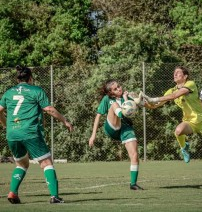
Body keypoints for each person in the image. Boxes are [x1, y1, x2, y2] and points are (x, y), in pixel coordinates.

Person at [0, 66, 73, 204]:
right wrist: (65, 121)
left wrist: (6, 125)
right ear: (31, 78)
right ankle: (54, 197)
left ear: (17, 79)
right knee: (46, 163)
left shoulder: (8, 92)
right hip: (30, 132)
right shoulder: (36, 90)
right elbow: (49, 109)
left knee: (22, 164)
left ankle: (12, 192)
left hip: (12, 134)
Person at [135, 66, 202, 163]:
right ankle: (184, 148)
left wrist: (152, 99)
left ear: (185, 76)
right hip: (189, 122)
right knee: (178, 131)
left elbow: (175, 96)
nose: (175, 74)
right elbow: (155, 105)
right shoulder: (171, 90)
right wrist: (142, 104)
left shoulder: (190, 84)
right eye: (174, 72)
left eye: (178, 72)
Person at [89, 79, 143, 190]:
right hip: (112, 127)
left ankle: (133, 184)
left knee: (134, 155)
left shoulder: (125, 97)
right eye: (115, 88)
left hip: (125, 128)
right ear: (111, 92)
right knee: (114, 105)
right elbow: (98, 116)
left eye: (119, 86)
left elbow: (139, 103)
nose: (119, 88)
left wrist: (139, 99)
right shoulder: (107, 99)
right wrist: (93, 134)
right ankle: (121, 113)